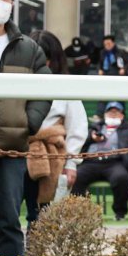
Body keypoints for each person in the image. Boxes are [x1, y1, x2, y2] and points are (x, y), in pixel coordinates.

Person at [0, 0, 50, 256]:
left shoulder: (29, 48)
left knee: (8, 217)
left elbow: (45, 90)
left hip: (12, 146)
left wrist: (29, 123)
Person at [24, 31, 87, 227]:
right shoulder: (17, 83)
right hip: (20, 152)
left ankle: (39, 252)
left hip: (54, 157)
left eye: (47, 58)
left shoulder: (65, 86)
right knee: (9, 213)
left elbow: (77, 126)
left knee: (45, 214)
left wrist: (71, 163)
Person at [71, 102, 128, 221]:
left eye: (116, 112)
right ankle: (80, 212)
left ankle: (120, 212)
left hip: (115, 163)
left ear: (122, 115)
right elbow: (80, 145)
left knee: (121, 178)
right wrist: (92, 138)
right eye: (110, 112)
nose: (113, 114)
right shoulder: (94, 128)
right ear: (105, 114)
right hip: (91, 162)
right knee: (77, 177)